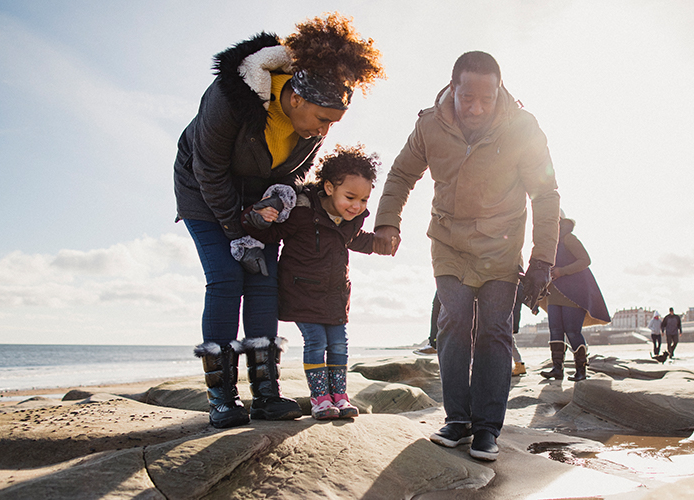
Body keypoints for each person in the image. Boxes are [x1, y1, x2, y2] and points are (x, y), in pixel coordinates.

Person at [175, 13, 384, 429]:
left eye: (332, 122)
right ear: (295, 100)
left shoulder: (313, 127)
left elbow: (291, 174)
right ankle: (222, 397)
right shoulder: (230, 97)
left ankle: (266, 395)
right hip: (204, 192)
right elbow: (209, 170)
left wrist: (277, 199)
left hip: (262, 200)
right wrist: (237, 232)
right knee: (227, 279)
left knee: (264, 282)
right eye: (322, 119)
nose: (324, 130)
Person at [372, 51, 560, 461]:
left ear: (499, 92)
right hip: (450, 242)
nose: (476, 107)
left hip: (502, 242)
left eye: (486, 99)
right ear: (452, 88)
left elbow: (545, 194)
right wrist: (388, 220)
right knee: (453, 321)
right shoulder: (429, 125)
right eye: (467, 97)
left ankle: (487, 428)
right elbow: (403, 173)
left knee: (495, 330)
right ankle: (457, 420)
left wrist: (542, 259)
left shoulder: (523, 128)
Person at [242, 145, 388, 420]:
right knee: (316, 341)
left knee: (339, 344)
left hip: (334, 294)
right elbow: (273, 235)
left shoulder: (350, 221)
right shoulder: (302, 211)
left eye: (365, 200)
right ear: (330, 188)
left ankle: (340, 397)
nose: (357, 206)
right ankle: (320, 399)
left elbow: (356, 240)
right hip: (302, 291)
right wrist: (258, 219)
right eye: (351, 197)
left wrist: (380, 244)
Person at [538, 211, 611, 382]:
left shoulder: (569, 238)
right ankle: (557, 369)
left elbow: (585, 260)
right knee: (555, 330)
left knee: (572, 331)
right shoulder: (549, 242)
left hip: (574, 293)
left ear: (561, 221)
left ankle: (581, 370)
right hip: (553, 294)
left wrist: (562, 271)